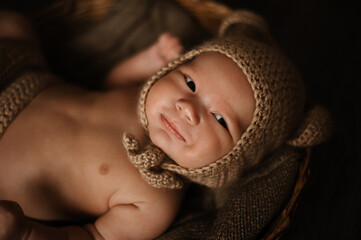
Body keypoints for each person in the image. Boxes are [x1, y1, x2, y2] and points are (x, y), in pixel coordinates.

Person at [0, 9, 332, 240]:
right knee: (16, 25)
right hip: (21, 82)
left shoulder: (155, 202)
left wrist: (26, 232)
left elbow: (91, 236)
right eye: (189, 83)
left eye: (220, 120)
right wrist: (147, 60)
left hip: (8, 182)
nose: (188, 109)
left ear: (230, 162)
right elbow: (108, 83)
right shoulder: (141, 95)